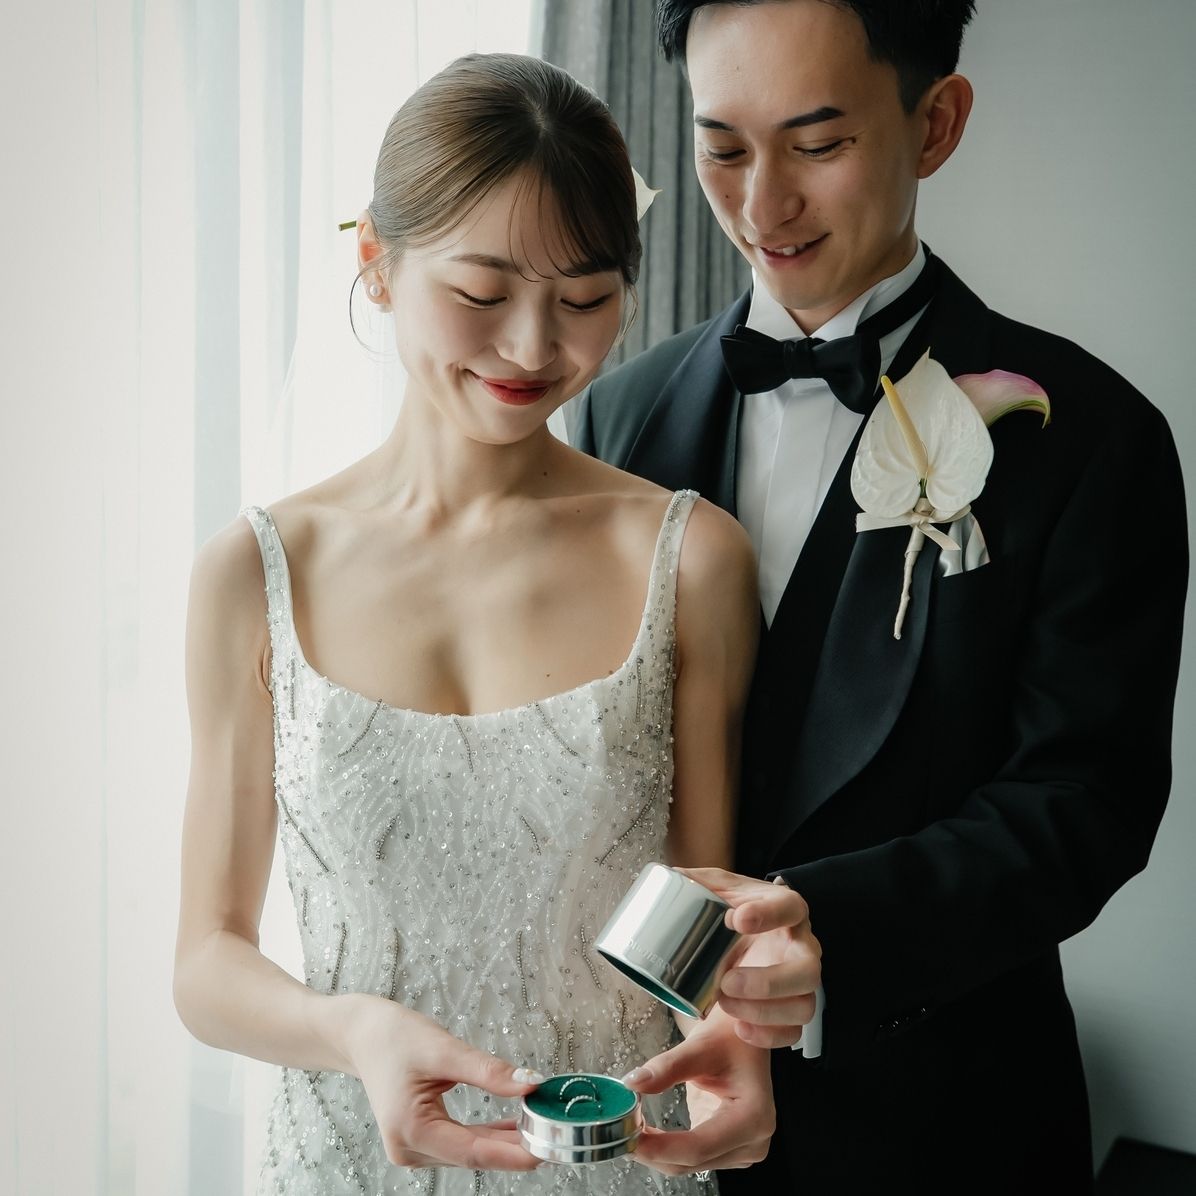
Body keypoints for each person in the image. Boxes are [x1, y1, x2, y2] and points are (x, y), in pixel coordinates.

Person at [172, 52, 815, 1195]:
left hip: (612, 1157)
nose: (531, 347)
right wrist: (353, 1029)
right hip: (348, 1157)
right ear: (376, 263)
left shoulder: (688, 559)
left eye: (585, 299)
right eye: (480, 294)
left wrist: (738, 1045)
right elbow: (206, 961)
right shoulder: (255, 571)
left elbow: (697, 914)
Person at [572, 1, 1188, 1190]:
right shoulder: (614, 414)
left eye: (816, 144)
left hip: (944, 1129)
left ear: (935, 122)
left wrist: (832, 928)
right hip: (642, 1120)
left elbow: (1083, 800)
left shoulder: (1088, 436)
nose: (761, 208)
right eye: (721, 147)